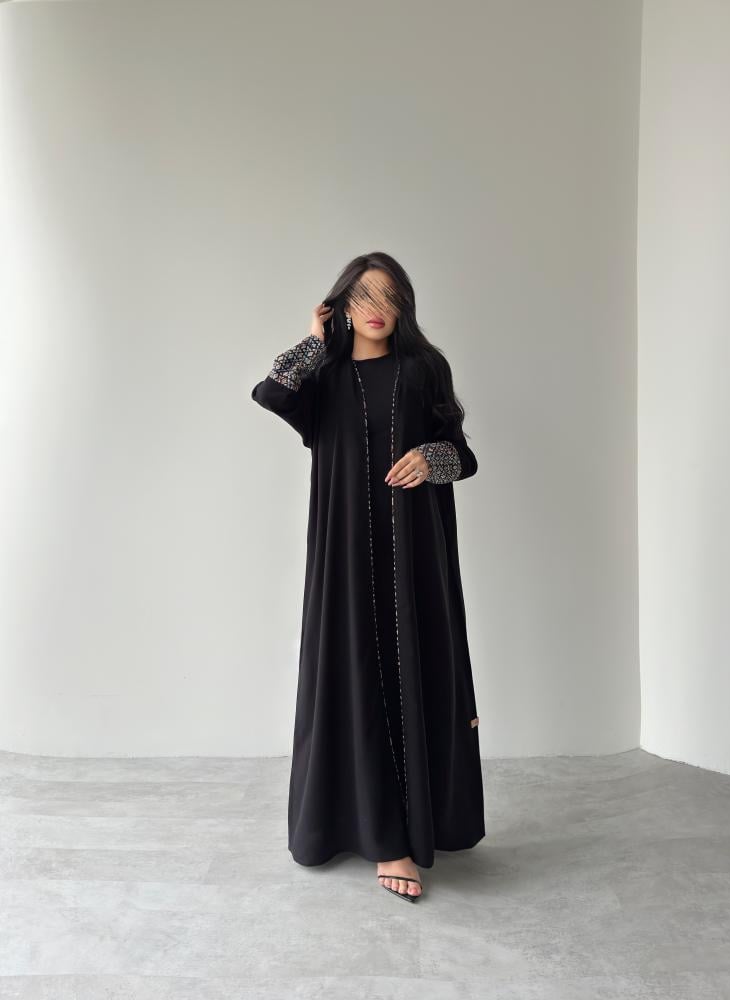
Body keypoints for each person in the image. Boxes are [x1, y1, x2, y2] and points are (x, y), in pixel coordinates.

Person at [251, 251, 484, 903]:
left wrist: (430, 457)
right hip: (345, 557)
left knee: (413, 676)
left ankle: (411, 831)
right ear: (342, 306)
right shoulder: (323, 376)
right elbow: (271, 394)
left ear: (405, 305)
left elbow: (464, 456)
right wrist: (315, 341)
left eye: (389, 296)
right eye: (363, 296)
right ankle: (380, 837)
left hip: (415, 558)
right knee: (354, 679)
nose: (377, 308)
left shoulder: (424, 368)